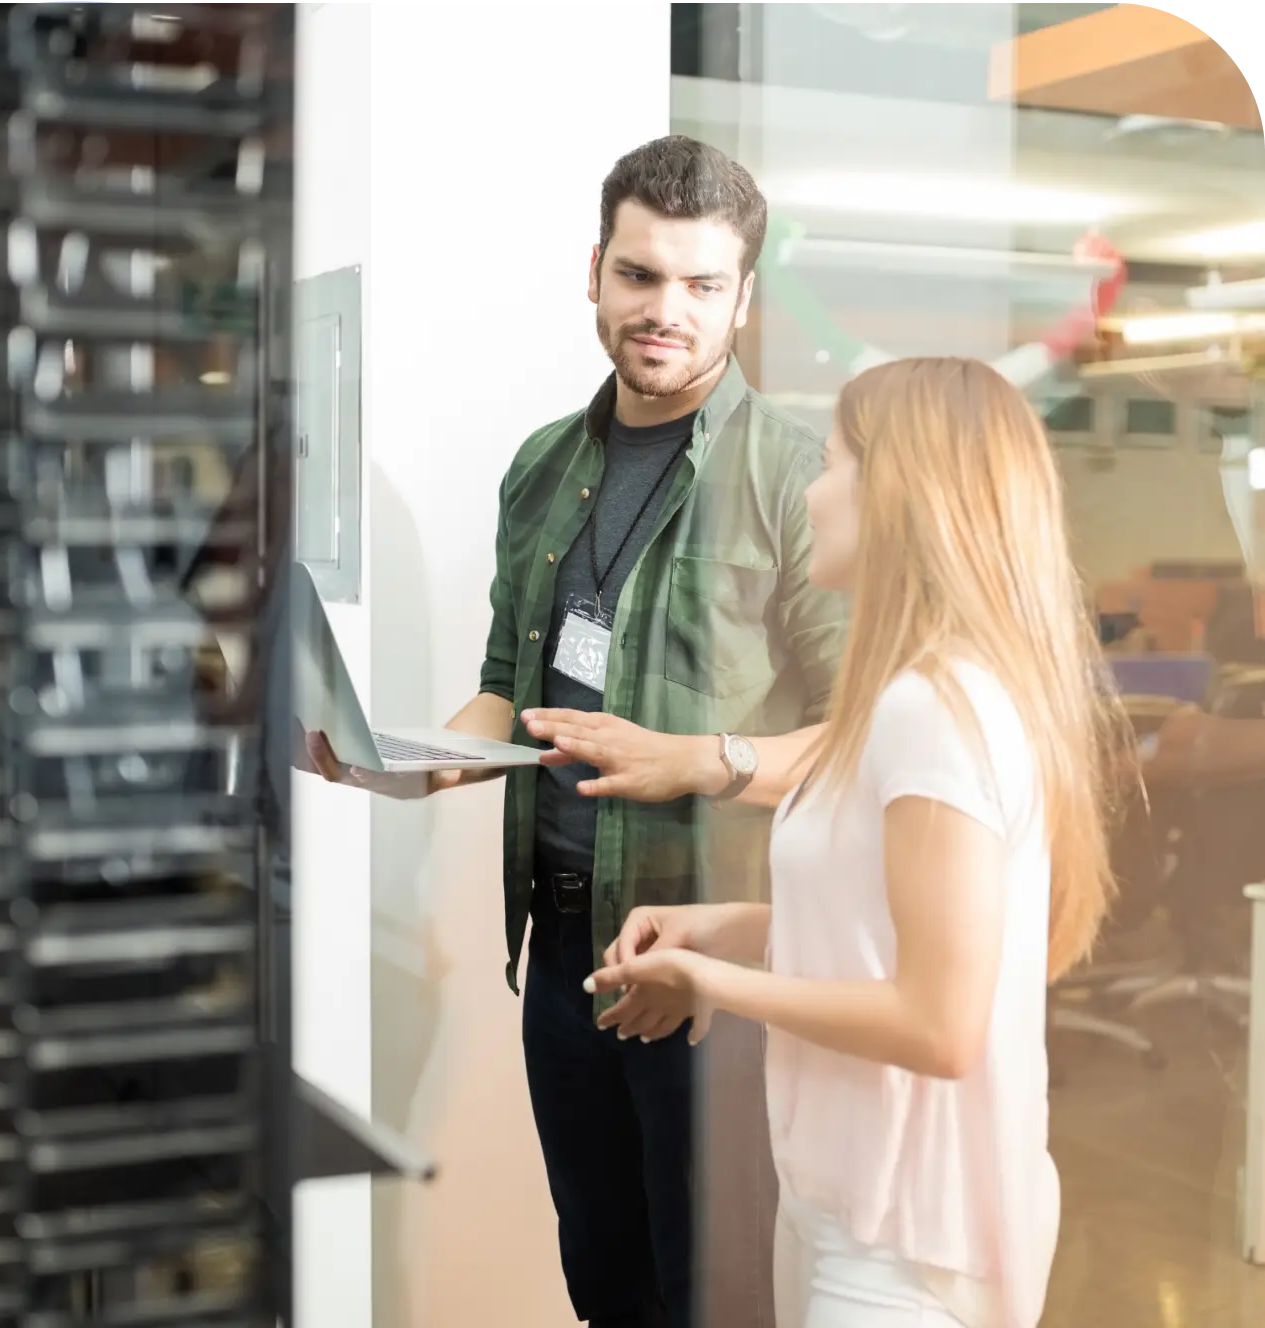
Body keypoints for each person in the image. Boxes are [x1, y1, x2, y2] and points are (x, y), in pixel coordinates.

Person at [301, 135, 845, 1327]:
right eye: (642, 276)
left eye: (704, 286)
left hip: (716, 966)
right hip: (563, 949)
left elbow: (860, 742)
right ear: (596, 269)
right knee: (605, 1282)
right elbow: (508, 684)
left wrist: (699, 760)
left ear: (744, 297)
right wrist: (402, 760)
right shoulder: (543, 467)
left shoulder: (801, 478)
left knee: (718, 1294)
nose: (667, 312)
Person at [530, 357, 1134, 1328]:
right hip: (844, 1192)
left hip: (903, 1235)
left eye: (836, 462)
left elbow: (939, 1024)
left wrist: (709, 985)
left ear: (900, 492)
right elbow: (886, 920)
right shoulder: (911, 694)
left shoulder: (936, 709)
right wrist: (725, 926)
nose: (812, 489)